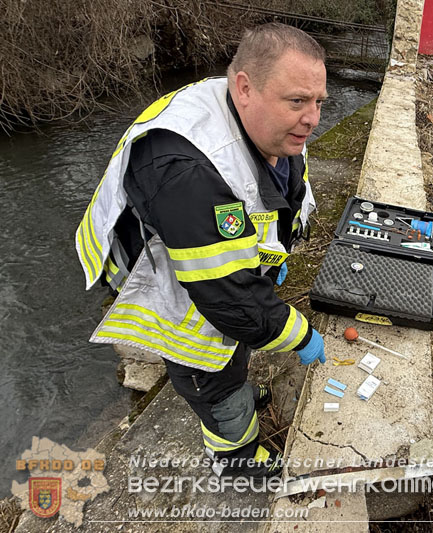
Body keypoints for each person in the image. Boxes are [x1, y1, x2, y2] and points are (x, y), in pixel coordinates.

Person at [75, 23, 328, 478]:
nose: (312, 118)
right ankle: (234, 456)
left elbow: (275, 196)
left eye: (318, 102)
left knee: (238, 348)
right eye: (298, 101)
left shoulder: (264, 120)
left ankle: (238, 404)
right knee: (213, 375)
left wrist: (274, 262)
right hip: (163, 278)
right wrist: (299, 335)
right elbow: (227, 296)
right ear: (246, 87)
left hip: (206, 258)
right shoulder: (186, 168)